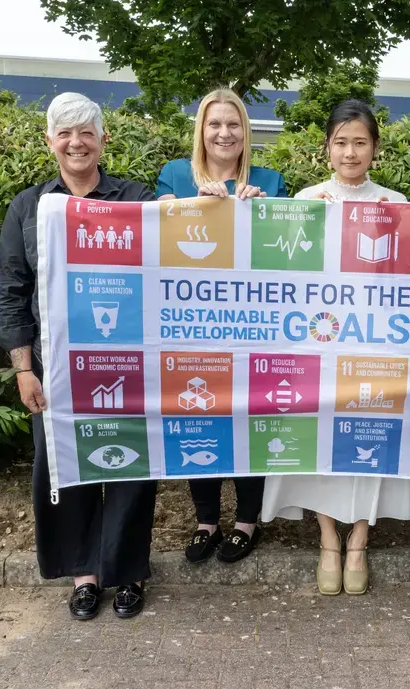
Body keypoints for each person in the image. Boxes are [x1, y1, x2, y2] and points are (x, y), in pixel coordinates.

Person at [0, 92, 158, 622]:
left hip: (129, 362)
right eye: (64, 133)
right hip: (55, 366)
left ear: (102, 139)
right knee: (64, 468)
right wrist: (24, 368)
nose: (76, 142)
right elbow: (11, 290)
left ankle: (128, 573)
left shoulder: (135, 197)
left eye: (86, 131)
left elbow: (174, 253)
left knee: (132, 469)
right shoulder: (28, 206)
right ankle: (85, 575)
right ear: (50, 142)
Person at [261, 100, 410, 596]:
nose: (350, 151)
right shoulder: (306, 198)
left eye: (360, 142)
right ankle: (329, 539)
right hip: (317, 346)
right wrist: (309, 221)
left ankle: (360, 542)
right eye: (341, 142)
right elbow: (277, 274)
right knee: (321, 445)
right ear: (326, 148)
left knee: (367, 439)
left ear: (374, 148)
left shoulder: (396, 203)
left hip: (374, 348)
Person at [155, 88, 288, 565]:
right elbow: (163, 239)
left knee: (250, 416)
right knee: (201, 416)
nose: (224, 133)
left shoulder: (271, 181)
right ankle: (207, 520)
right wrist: (195, 203)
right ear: (201, 130)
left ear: (245, 131)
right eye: (214, 124)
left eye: (233, 124)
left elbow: (288, 253)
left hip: (253, 326)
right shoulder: (174, 175)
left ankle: (247, 521)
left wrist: (263, 212)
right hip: (195, 323)